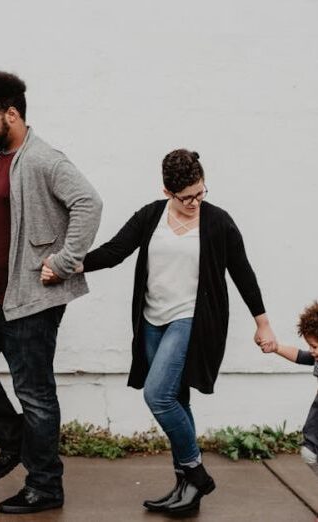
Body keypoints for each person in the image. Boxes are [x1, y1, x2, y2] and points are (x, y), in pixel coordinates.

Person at [42, 149, 277, 516]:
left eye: (201, 193)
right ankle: (186, 489)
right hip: (152, 321)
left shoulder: (218, 222)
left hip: (191, 320)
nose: (195, 202)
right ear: (168, 191)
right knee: (177, 400)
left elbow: (242, 272)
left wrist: (262, 322)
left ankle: (196, 472)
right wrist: (68, 266)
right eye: (187, 197)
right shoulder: (152, 216)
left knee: (158, 396)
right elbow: (116, 251)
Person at [0, 71, 102, 515]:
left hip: (29, 300)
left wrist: (65, 261)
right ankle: (14, 441)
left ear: (11, 114)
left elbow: (89, 203)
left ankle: (45, 486)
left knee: (35, 393)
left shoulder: (45, 160)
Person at [261, 301, 318, 476]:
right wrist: (276, 347)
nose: (312, 351)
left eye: (314, 346)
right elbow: (300, 356)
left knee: (309, 455)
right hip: (314, 438)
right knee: (308, 454)